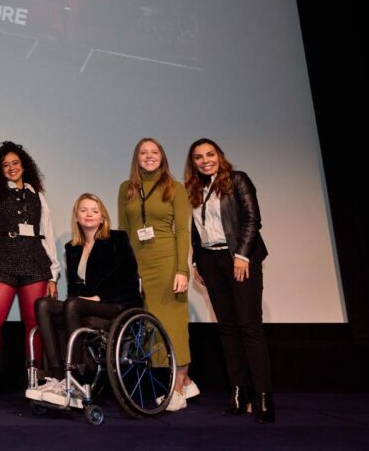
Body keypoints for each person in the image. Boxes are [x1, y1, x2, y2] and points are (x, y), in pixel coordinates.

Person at [185, 138, 274, 423]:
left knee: (249, 327)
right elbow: (197, 228)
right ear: (193, 162)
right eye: (198, 157)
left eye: (210, 154)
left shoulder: (237, 180)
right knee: (227, 328)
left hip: (239, 258)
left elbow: (251, 219)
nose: (205, 160)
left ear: (220, 156)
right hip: (211, 262)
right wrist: (197, 259)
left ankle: (262, 397)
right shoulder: (196, 188)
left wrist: (242, 256)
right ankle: (239, 394)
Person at [0, 142, 60, 406]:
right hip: (3, 261)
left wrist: (52, 273)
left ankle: (35, 383)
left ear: (24, 166)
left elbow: (48, 234)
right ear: (0, 170)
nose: (11, 168)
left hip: (34, 262)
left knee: (34, 323)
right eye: (6, 165)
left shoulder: (37, 195)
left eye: (15, 163)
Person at [35, 193, 143, 408]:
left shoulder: (117, 239)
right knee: (43, 304)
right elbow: (75, 288)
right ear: (76, 217)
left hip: (117, 304)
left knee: (73, 304)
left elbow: (128, 279)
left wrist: (99, 297)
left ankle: (76, 377)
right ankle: (58, 378)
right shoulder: (72, 247)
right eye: (83, 210)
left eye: (94, 210)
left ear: (102, 217)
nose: (89, 214)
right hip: (86, 305)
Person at [117, 138, 195, 411]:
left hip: (166, 263)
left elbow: (183, 231)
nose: (149, 157)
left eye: (154, 152)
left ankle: (177, 389)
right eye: (143, 153)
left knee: (173, 324)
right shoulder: (126, 189)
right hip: (140, 265)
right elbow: (124, 233)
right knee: (149, 327)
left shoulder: (175, 188)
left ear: (162, 157)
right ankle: (185, 383)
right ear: (136, 158)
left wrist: (181, 270)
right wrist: (127, 271)